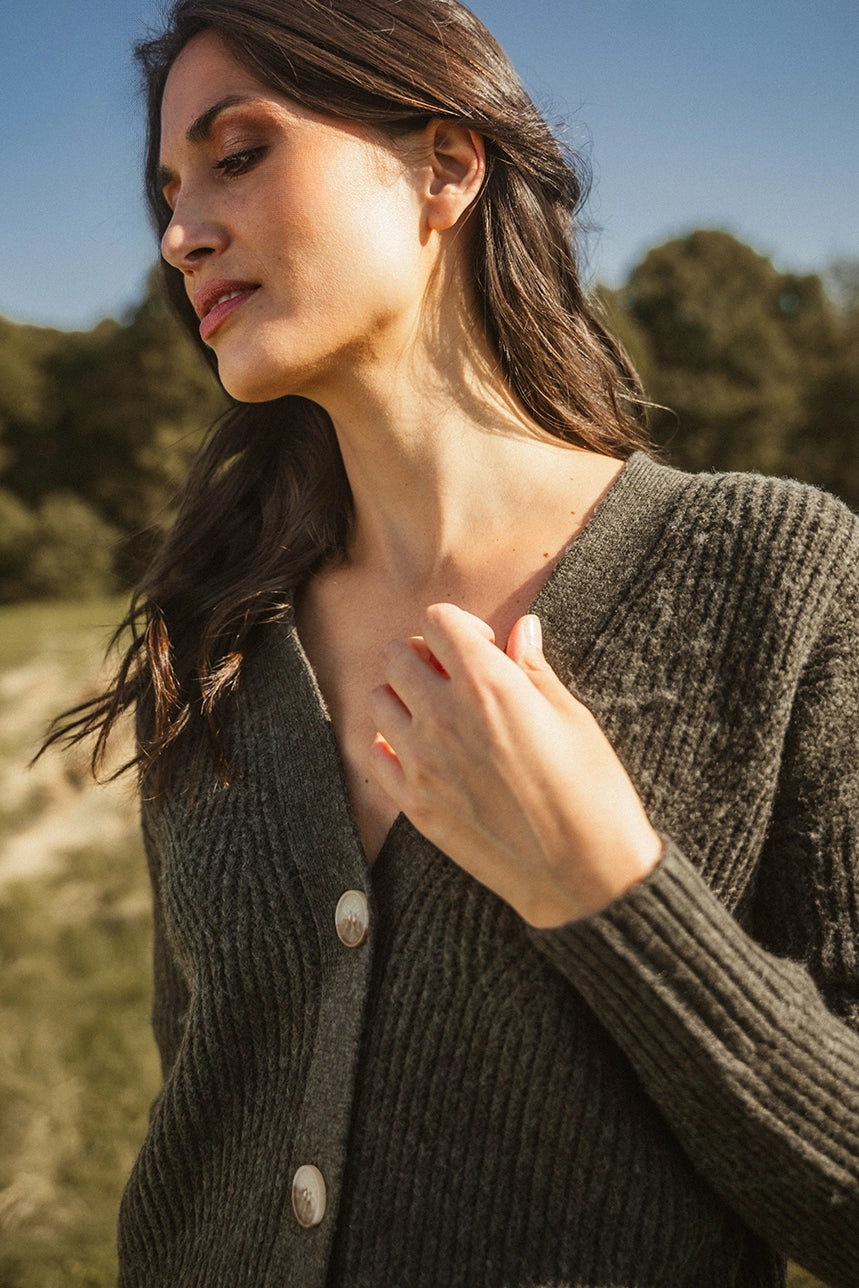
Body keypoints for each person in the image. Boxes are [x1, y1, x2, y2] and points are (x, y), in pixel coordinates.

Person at [54, 1, 859, 1284]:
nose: (180, 233)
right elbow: (196, 1118)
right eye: (168, 192)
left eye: (238, 155)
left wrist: (605, 888)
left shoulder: (773, 578)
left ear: (444, 166)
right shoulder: (209, 646)